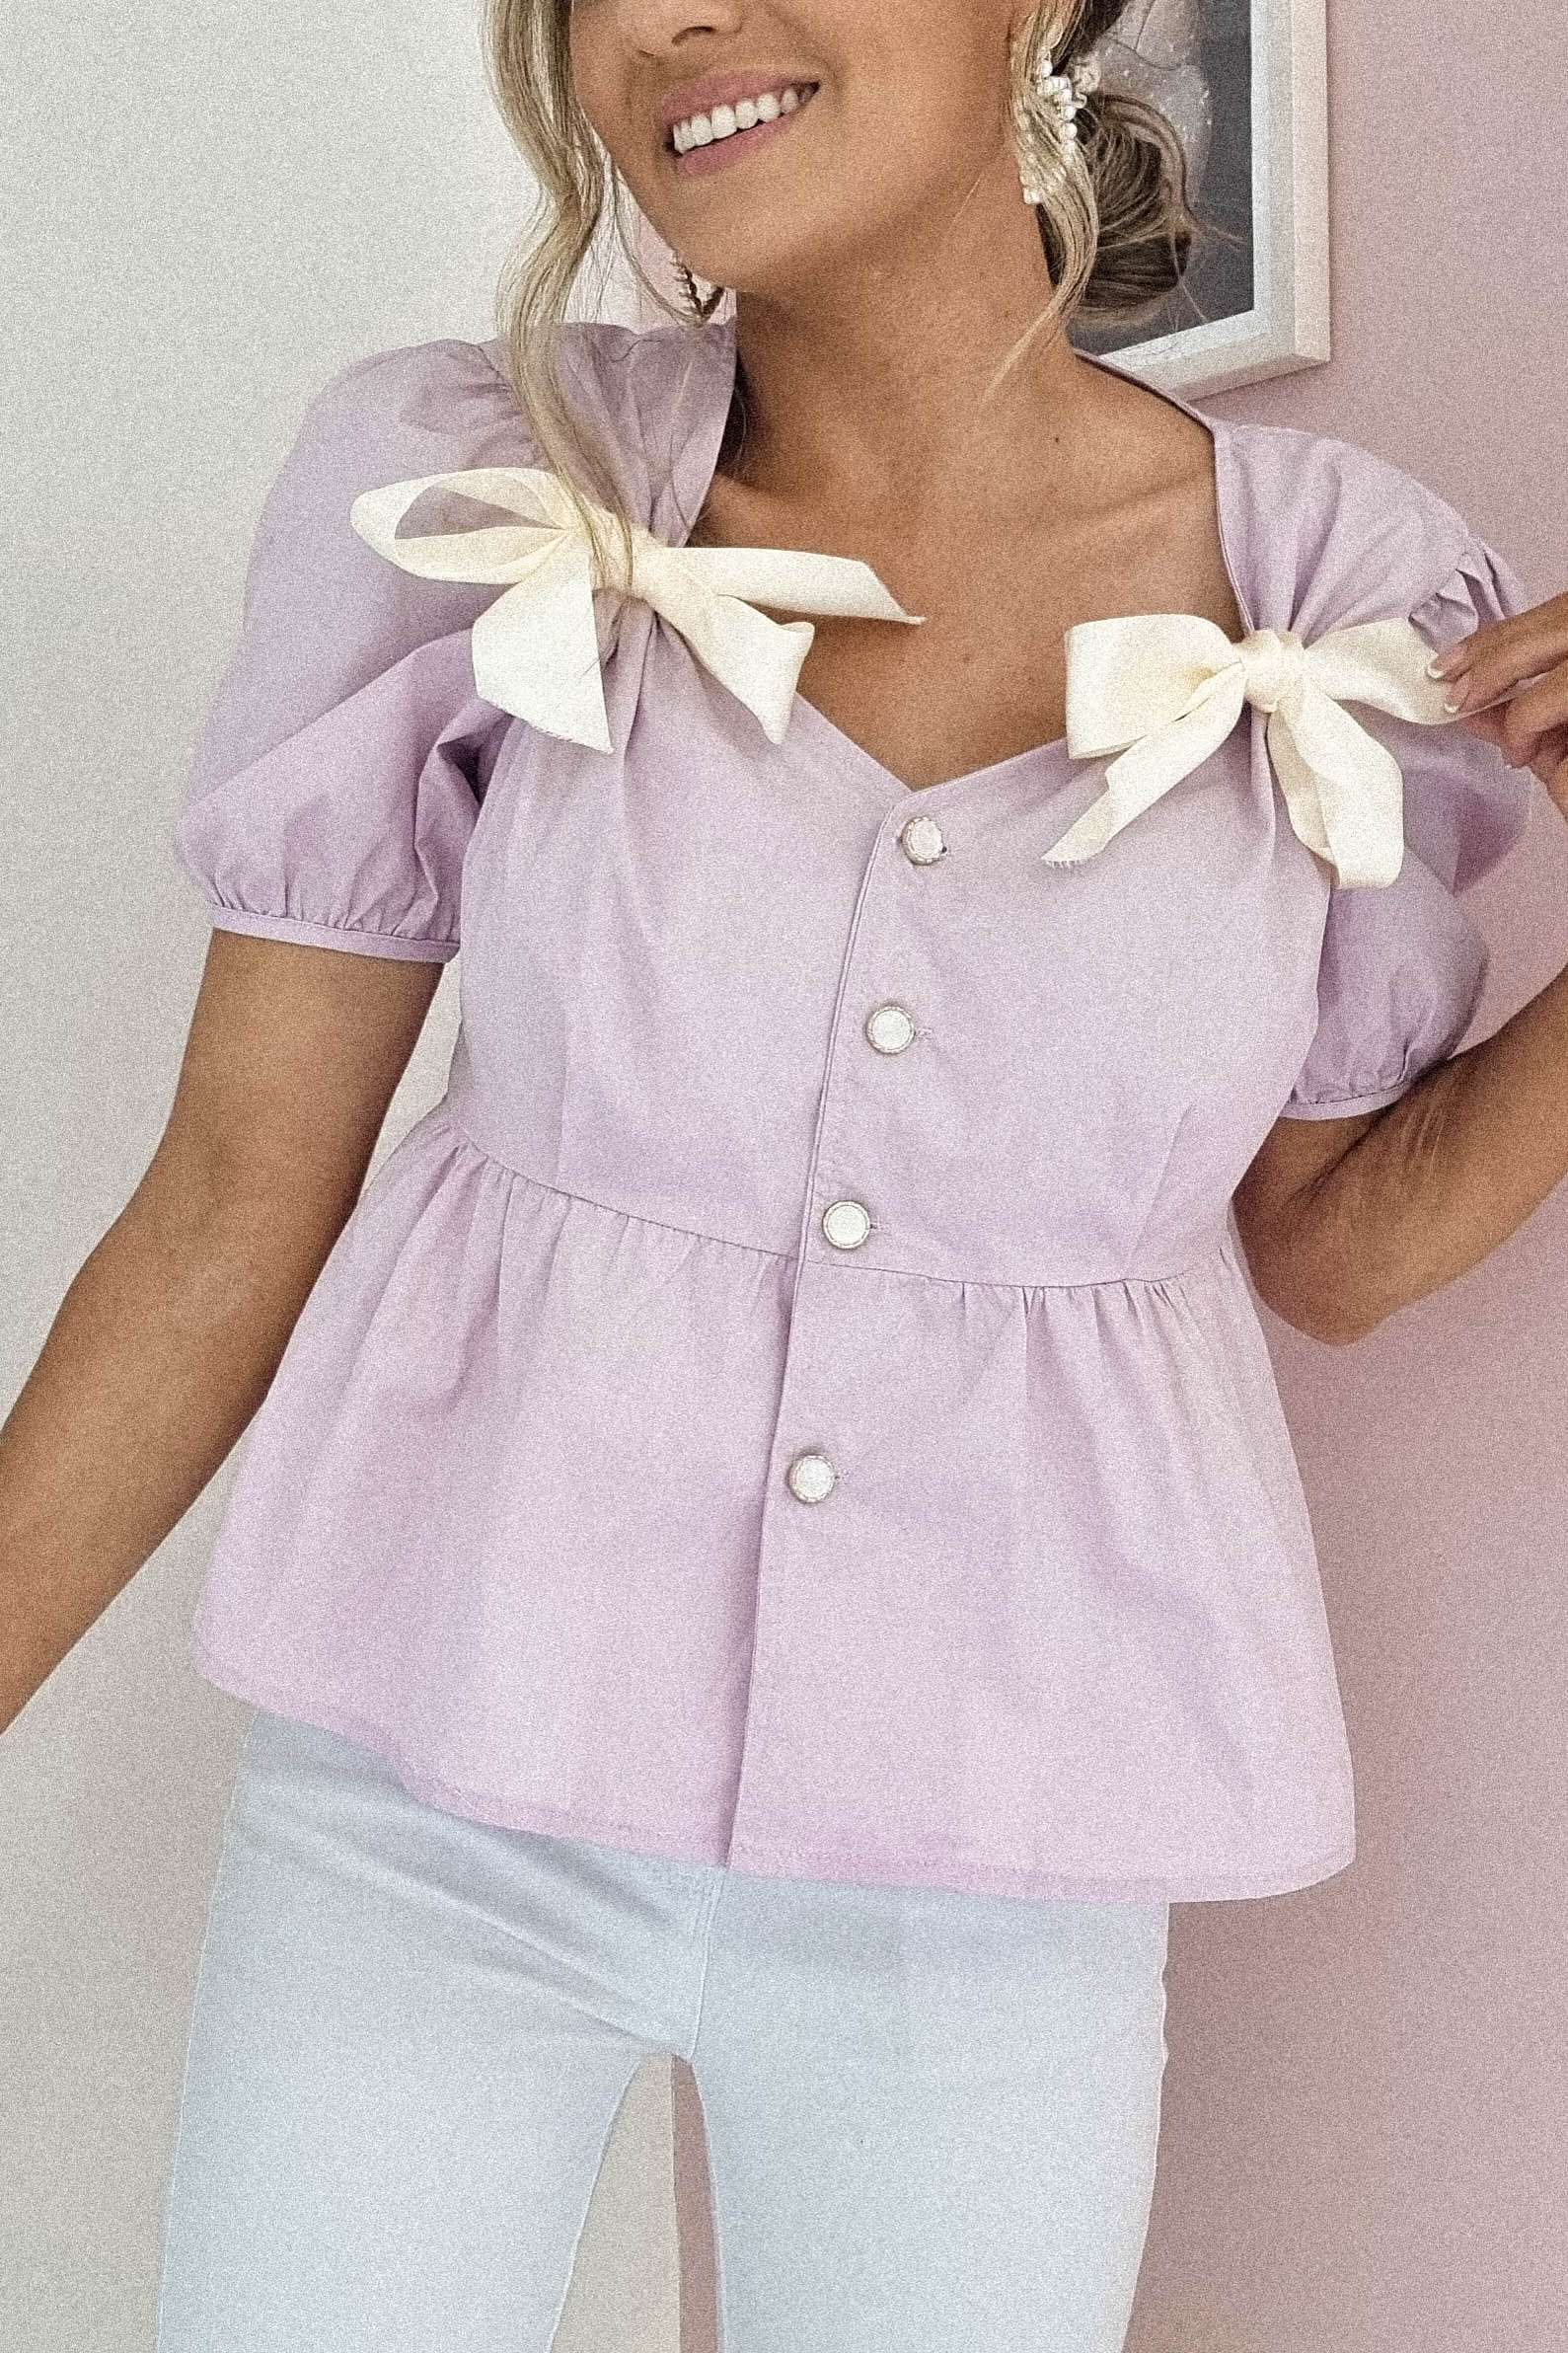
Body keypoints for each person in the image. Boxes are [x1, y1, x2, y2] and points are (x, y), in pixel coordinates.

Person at [3, 2, 1566, 2348]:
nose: (667, 20)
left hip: (996, 1861)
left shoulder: (1335, 599)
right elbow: (235, 1196)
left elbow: (1337, 1247)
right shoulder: (486, 493)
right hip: (438, 1801)